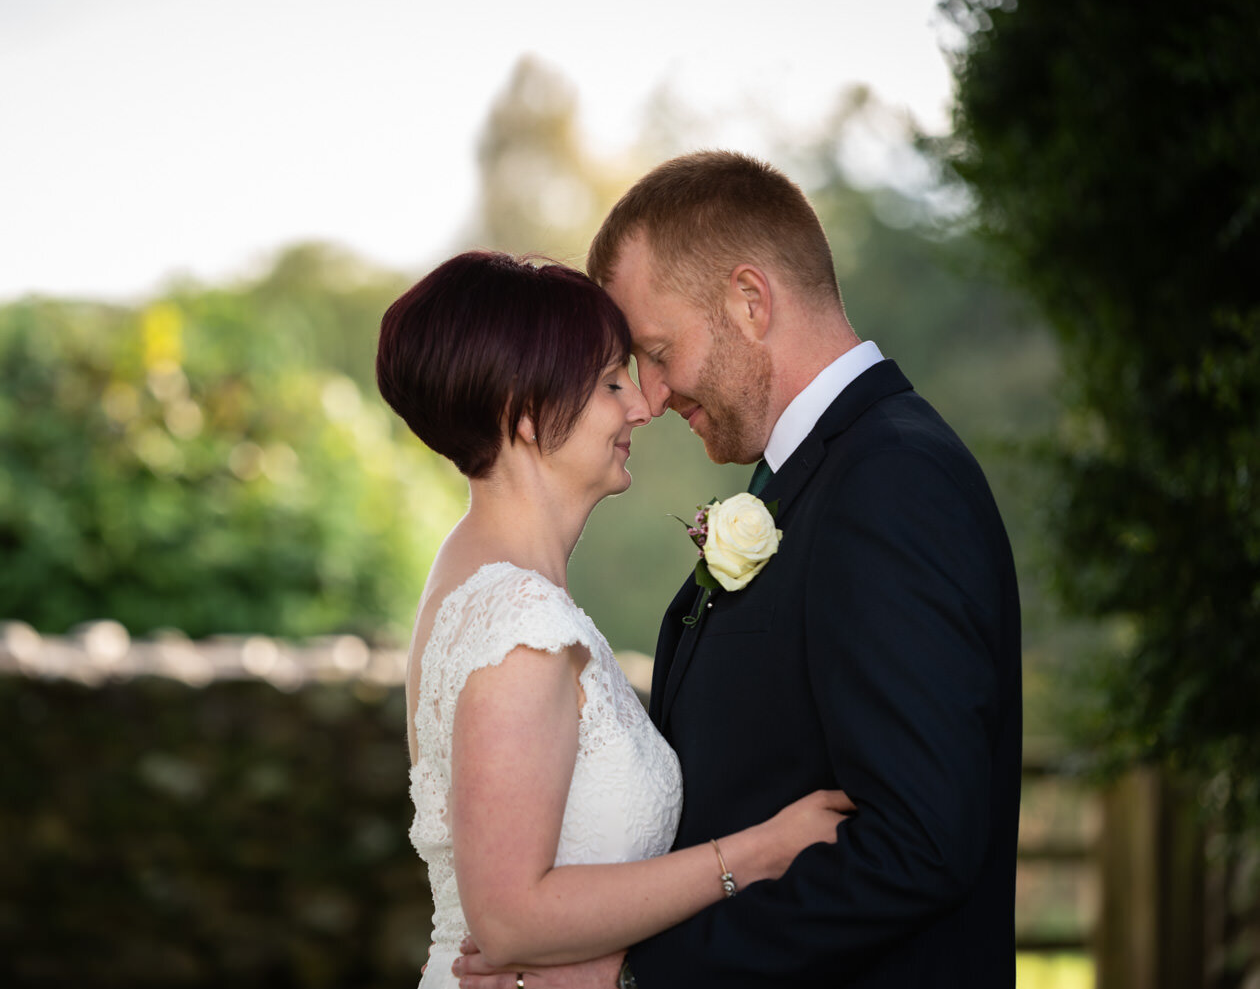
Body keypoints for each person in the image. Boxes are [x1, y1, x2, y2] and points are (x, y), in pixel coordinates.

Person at [455, 152, 1023, 988]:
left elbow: (918, 845)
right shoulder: (817, 481)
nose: (648, 398)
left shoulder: (893, 480)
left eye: (657, 349)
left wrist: (637, 976)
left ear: (750, 301)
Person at [376, 250, 854, 989]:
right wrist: (760, 851)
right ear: (525, 413)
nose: (640, 405)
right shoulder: (520, 620)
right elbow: (509, 919)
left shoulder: (472, 572)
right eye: (608, 382)